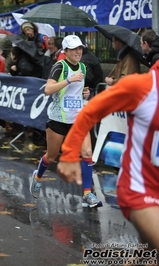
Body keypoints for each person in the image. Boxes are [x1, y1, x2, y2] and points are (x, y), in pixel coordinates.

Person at [57, 60, 159, 251]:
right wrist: (70, 153)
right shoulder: (142, 86)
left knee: (148, 255)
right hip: (140, 189)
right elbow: (90, 111)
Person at [29, 35, 100, 208]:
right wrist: (69, 80)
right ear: (66, 51)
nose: (78, 52)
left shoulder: (83, 66)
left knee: (87, 153)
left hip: (77, 118)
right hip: (59, 118)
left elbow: (78, 89)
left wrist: (84, 92)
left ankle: (87, 194)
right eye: (74, 49)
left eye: (80, 48)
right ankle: (37, 177)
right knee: (51, 156)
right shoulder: (59, 66)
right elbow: (47, 90)